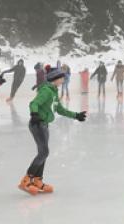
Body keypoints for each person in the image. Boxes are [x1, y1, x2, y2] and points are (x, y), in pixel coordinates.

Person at [20, 67, 86, 195]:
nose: (63, 80)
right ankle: (26, 180)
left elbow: (60, 110)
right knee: (44, 152)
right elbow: (33, 103)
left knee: (43, 153)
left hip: (44, 125)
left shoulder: (54, 92)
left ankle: (37, 181)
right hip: (37, 124)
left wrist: (76, 115)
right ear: (55, 79)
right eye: (61, 78)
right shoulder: (46, 91)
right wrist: (34, 115)